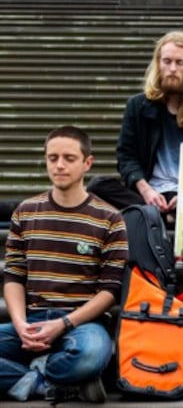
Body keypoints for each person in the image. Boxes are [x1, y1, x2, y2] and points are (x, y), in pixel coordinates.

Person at [1, 126, 128, 403]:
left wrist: (64, 323)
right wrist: (20, 323)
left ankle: (34, 373)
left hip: (82, 324)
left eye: (69, 158)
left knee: (92, 354)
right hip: (32, 320)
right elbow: (13, 277)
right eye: (52, 158)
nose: (59, 165)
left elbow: (110, 291)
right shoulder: (25, 212)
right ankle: (42, 382)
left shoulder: (109, 218)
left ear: (87, 163)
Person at [88, 31, 183, 224]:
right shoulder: (137, 106)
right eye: (167, 61)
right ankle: (164, 216)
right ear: (158, 63)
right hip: (150, 192)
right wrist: (145, 190)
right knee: (98, 185)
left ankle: (155, 216)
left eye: (180, 63)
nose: (172, 68)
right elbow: (126, 155)